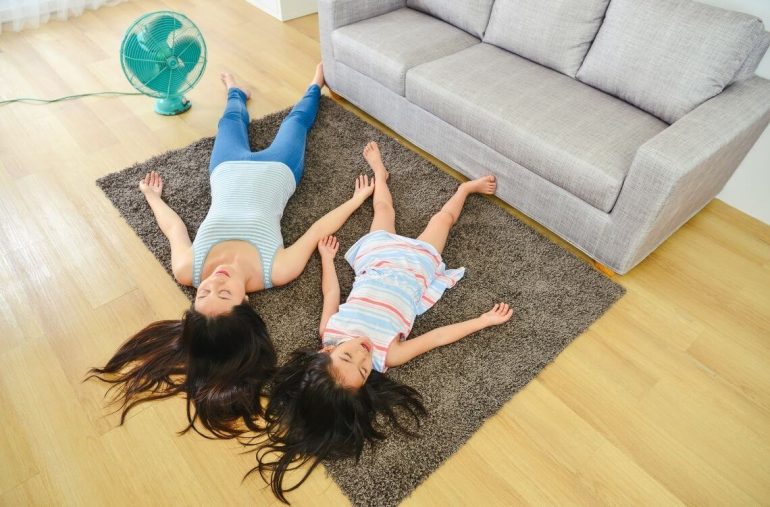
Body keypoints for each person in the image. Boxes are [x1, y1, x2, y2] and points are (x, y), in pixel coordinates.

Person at [89, 64, 375, 439]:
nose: (212, 282)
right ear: (244, 304)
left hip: (224, 171)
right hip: (279, 170)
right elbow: (316, 229)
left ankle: (235, 91)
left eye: (203, 292)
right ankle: (314, 82)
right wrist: (357, 200)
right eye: (223, 293)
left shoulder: (189, 270)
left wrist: (152, 198)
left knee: (229, 124)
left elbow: (175, 228)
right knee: (297, 122)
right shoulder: (277, 271)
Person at [254, 141, 513, 501]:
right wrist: (481, 321)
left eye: (347, 357)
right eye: (362, 370)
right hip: (416, 272)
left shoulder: (330, 332)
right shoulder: (387, 356)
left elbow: (332, 295)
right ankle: (463, 190)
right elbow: (437, 337)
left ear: (323, 353)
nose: (362, 354)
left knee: (383, 205)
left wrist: (327, 260)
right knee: (443, 220)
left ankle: (380, 173)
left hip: (377, 260)